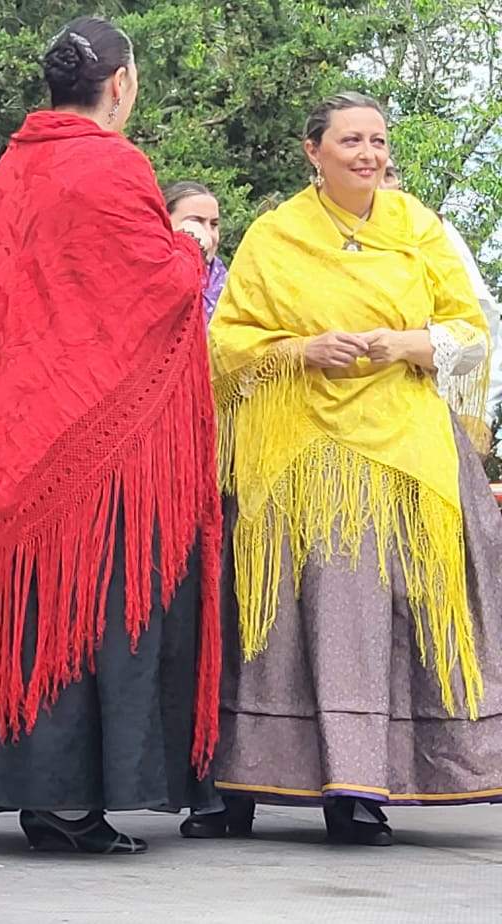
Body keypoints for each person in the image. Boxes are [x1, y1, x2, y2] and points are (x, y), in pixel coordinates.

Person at [0, 16, 223, 854]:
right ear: (119, 84)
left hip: (4, 423)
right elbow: (151, 289)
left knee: (33, 607)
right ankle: (76, 803)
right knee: (93, 604)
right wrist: (190, 249)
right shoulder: (115, 164)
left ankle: (30, 793)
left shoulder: (9, 170)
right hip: (87, 433)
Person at [200, 92, 502, 846]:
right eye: (350, 142)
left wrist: (407, 345)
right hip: (302, 451)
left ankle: (373, 784)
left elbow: (468, 329)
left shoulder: (418, 228)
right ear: (314, 152)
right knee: (300, 614)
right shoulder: (275, 237)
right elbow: (226, 345)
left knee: (399, 610)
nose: (368, 154)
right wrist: (301, 351)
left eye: (376, 141)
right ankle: (250, 778)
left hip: (406, 447)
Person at [381, 162, 502, 429]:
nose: (380, 184)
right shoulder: (316, 235)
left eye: (389, 174)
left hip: (431, 410)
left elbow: (484, 322)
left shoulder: (431, 230)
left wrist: (481, 414)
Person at [164, 181, 229, 320]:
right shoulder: (149, 285)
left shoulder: (232, 290)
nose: (209, 234)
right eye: (196, 221)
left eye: (214, 224)